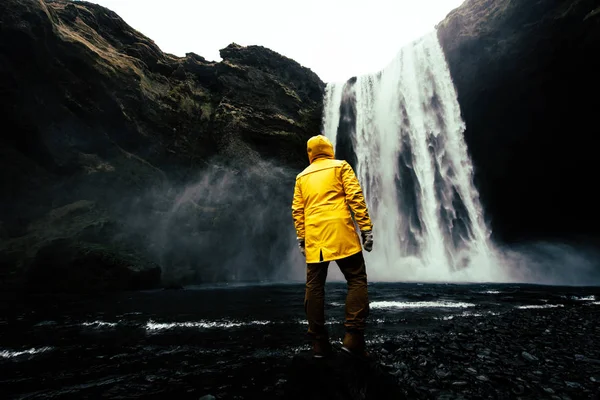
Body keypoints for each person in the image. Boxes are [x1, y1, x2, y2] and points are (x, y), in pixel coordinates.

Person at [291, 134, 374, 359]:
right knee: (356, 279)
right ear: (329, 149)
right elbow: (355, 197)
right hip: (342, 233)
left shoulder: (302, 177)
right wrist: (365, 228)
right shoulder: (340, 166)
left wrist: (302, 238)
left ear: (310, 153)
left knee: (314, 287)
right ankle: (353, 337)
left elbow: (298, 211)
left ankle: (318, 343)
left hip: (315, 237)